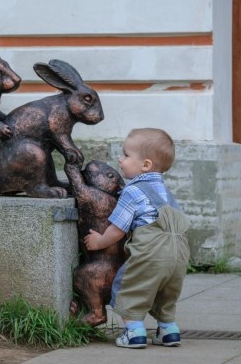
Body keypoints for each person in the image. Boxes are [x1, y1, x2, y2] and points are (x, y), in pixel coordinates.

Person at [84, 127, 191, 349]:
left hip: (151, 250)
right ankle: (169, 330)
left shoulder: (133, 191)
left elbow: (118, 229)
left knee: (129, 285)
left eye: (126, 155)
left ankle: (134, 332)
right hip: (179, 252)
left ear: (146, 165)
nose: (120, 159)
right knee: (166, 290)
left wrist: (99, 241)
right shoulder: (164, 190)